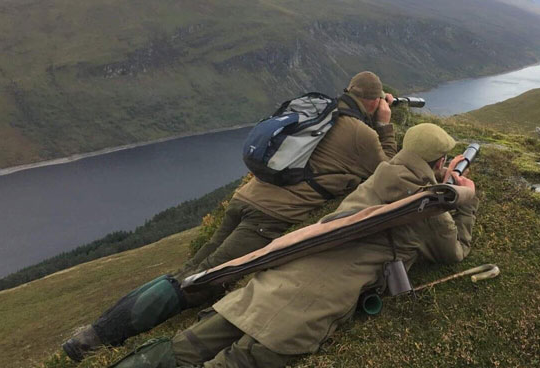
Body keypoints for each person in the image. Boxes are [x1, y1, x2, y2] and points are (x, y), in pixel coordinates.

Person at [62, 71, 399, 362]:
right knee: (196, 284)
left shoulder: (321, 113)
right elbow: (389, 172)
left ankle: (97, 332)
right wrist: (385, 125)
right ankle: (94, 339)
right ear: (372, 101)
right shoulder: (362, 135)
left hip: (245, 199)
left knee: (187, 273)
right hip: (267, 217)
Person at [110, 123, 479, 368]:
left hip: (270, 287)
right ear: (441, 162)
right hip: (301, 317)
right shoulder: (427, 207)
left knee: (187, 344)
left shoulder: (375, 180)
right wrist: (466, 198)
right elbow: (454, 252)